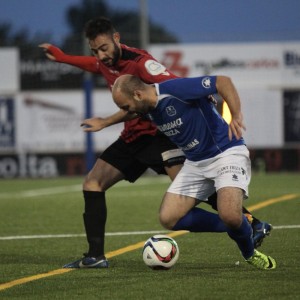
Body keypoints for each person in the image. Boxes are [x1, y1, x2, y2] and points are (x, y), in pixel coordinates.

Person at [39, 17, 272, 269]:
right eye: (95, 50)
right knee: (94, 183)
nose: (100, 56)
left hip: (160, 135)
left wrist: (204, 100)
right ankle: (95, 256)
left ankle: (247, 221)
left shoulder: (143, 64)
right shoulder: (106, 63)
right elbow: (94, 66)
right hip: (134, 137)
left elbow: (172, 89)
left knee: (201, 193)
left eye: (104, 48)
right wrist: (63, 58)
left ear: (117, 38)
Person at [111, 74, 276, 270]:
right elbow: (130, 112)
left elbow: (223, 81)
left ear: (138, 94)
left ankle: (249, 253)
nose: (125, 112)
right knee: (169, 217)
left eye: (125, 106)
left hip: (225, 152)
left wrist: (236, 114)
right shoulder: (145, 107)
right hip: (195, 163)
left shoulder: (174, 90)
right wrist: (104, 122)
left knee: (230, 215)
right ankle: (240, 225)